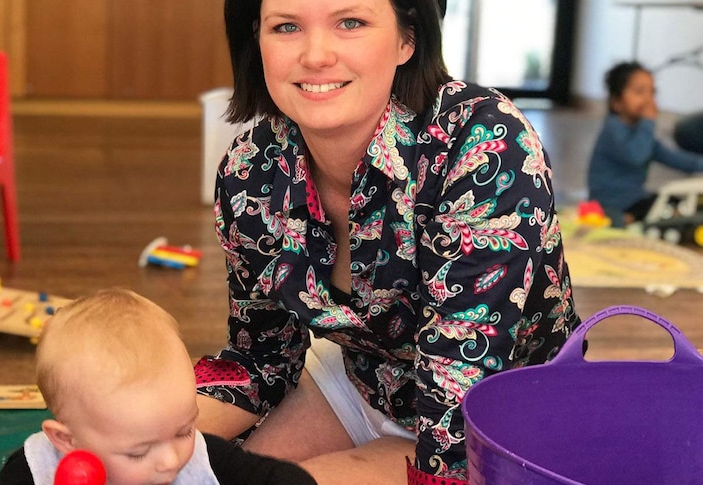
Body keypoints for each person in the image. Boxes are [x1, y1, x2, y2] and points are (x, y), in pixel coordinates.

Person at [194, 0, 580, 484]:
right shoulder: (250, 171)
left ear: (407, 38)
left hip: (499, 425)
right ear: (257, 40)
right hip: (370, 380)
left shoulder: (483, 143)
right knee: (176, 466)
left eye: (350, 22)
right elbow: (261, 358)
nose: (315, 55)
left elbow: (457, 394)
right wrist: (134, 425)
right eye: (286, 26)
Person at [0, 288, 317, 485]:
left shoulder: (199, 461)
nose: (171, 461)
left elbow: (284, 479)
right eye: (139, 452)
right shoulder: (35, 470)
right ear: (67, 439)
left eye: (183, 431)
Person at [587, 61, 703, 227]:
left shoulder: (642, 134)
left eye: (652, 92)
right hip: (610, 204)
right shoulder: (613, 129)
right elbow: (636, 155)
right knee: (662, 210)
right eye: (639, 91)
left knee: (677, 202)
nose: (648, 100)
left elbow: (675, 158)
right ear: (617, 102)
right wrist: (648, 122)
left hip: (634, 199)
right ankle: (621, 221)